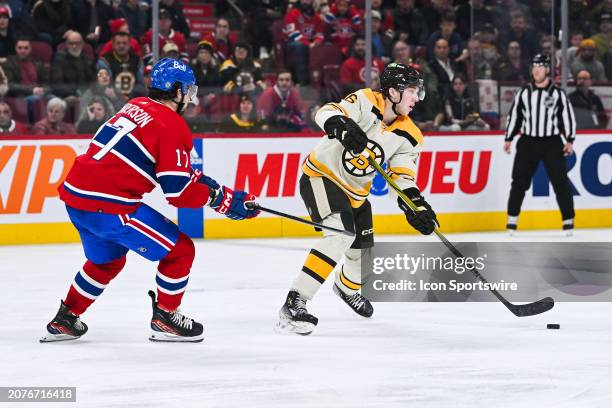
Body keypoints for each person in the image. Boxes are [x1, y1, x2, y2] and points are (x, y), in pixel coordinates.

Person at [40, 58, 260, 343]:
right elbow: (178, 193)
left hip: (77, 199)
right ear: (177, 90)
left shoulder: (135, 105)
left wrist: (217, 192)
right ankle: (166, 315)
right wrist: (222, 201)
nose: (190, 96)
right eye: (188, 90)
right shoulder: (172, 124)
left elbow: (174, 172)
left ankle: (66, 319)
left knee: (106, 261)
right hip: (110, 205)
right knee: (180, 250)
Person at [276, 63, 439, 335]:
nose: (416, 98)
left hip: (356, 194)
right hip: (321, 177)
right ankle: (294, 303)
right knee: (340, 233)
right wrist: (339, 124)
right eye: (411, 91)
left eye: (417, 92)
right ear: (393, 92)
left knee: (362, 255)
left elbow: (403, 177)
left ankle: (346, 288)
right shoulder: (365, 100)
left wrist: (416, 207)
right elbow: (327, 111)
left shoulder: (411, 135)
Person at [504, 54, 576, 235]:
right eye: (534, 66)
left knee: (560, 182)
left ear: (547, 70)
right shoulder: (524, 92)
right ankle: (512, 220)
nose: (536, 70)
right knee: (519, 182)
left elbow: (566, 117)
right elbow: (514, 116)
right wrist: (509, 138)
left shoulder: (558, 93)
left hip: (552, 142)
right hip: (528, 141)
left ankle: (568, 220)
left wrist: (569, 140)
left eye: (540, 66)